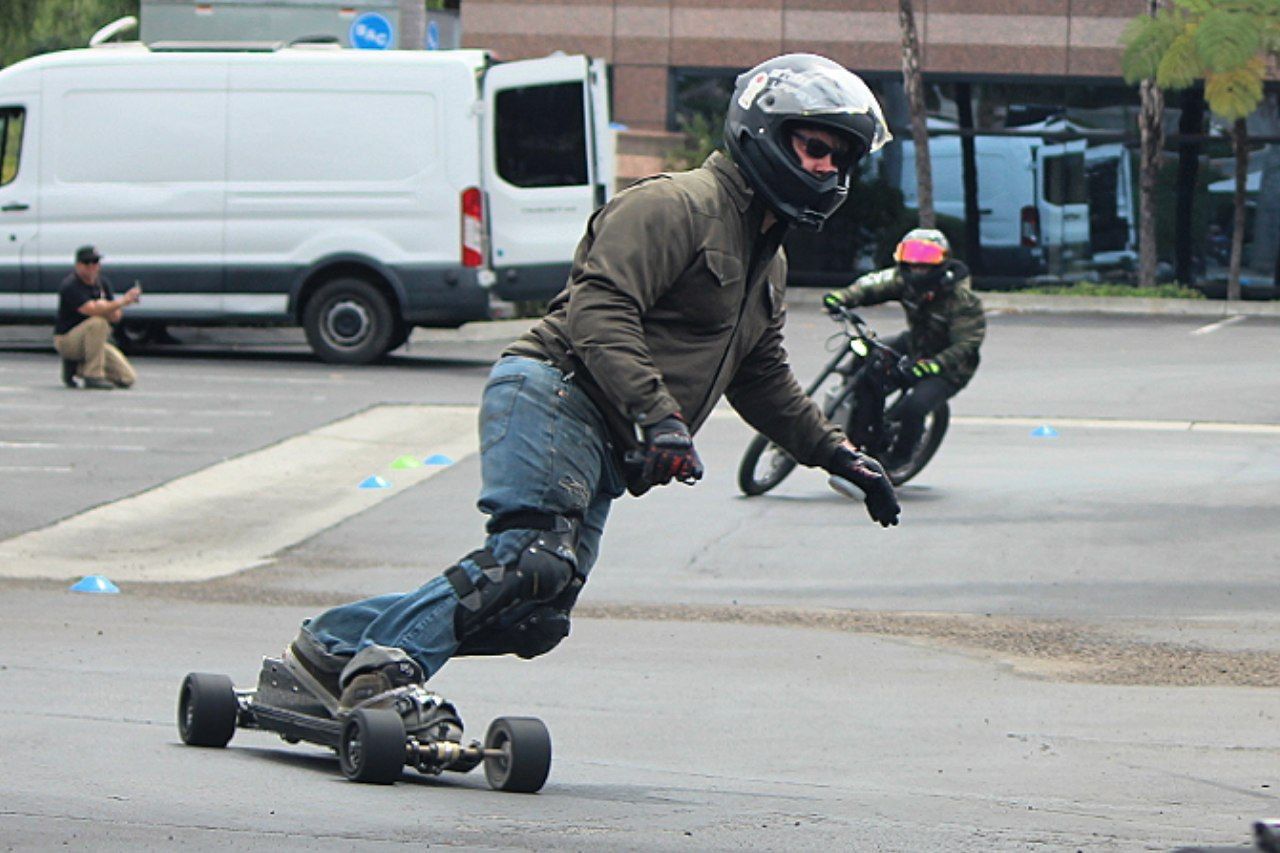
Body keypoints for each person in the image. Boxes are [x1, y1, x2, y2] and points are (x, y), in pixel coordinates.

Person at [282, 54, 902, 710]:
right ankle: (385, 672)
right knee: (531, 559)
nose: (828, 169)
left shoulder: (766, 261)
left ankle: (331, 648)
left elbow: (763, 380)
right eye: (814, 148)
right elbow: (598, 311)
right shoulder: (674, 206)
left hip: (607, 438)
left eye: (840, 157)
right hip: (554, 391)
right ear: (763, 135)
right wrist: (660, 415)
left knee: (537, 611)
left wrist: (839, 455)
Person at [822, 229, 986, 469]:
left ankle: (899, 458)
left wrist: (931, 366)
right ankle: (861, 431)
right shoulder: (903, 280)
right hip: (914, 344)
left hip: (950, 367)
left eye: (926, 258)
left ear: (942, 260)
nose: (917, 265)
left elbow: (966, 345)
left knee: (914, 407)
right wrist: (841, 298)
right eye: (912, 257)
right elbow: (872, 286)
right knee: (867, 362)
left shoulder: (962, 300)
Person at [53, 246, 140, 390]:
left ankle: (76, 367)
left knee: (127, 378)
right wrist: (123, 301)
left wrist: (106, 306)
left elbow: (116, 317)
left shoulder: (102, 284)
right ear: (78, 265)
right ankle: (92, 375)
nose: (92, 267)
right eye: (87, 263)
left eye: (95, 262)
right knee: (98, 322)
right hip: (67, 339)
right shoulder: (71, 285)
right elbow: (90, 310)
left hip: (94, 342)